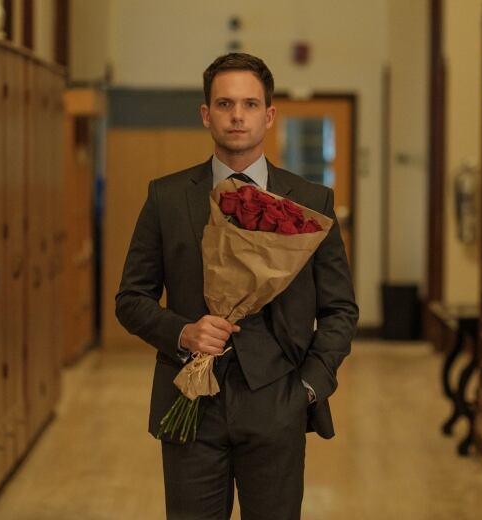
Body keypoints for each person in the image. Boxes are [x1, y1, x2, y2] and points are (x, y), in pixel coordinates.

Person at [116, 52, 358, 520]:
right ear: (206, 114)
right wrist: (183, 333)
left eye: (249, 104)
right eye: (225, 104)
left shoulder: (311, 201)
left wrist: (310, 386)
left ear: (269, 115)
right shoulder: (166, 197)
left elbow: (340, 309)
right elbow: (131, 299)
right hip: (190, 400)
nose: (237, 115)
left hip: (279, 399)